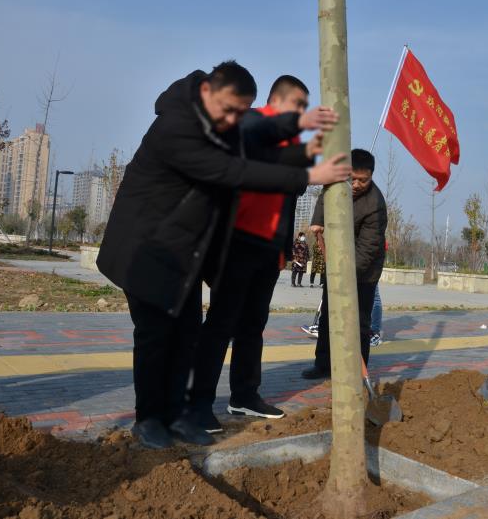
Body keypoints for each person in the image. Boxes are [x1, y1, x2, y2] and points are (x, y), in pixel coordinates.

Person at [97, 62, 349, 449]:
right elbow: (232, 171)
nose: (233, 119)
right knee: (156, 335)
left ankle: (178, 416)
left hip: (180, 250)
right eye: (229, 109)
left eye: (239, 112)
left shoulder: (219, 126)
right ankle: (148, 420)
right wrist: (310, 176)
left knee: (186, 333)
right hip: (144, 247)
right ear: (206, 93)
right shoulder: (177, 127)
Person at [186, 75, 326, 433]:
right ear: (275, 101)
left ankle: (245, 394)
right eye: (297, 104)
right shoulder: (250, 125)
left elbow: (291, 194)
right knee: (221, 324)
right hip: (237, 244)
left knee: (253, 325)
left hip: (267, 250)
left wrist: (281, 250)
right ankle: (198, 404)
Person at [301, 149, 388, 379]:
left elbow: (367, 250)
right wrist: (318, 221)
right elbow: (324, 197)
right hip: (337, 260)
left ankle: (356, 373)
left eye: (363, 180)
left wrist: (345, 277)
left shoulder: (375, 204)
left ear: (371, 176)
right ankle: (323, 365)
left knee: (359, 323)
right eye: (353, 178)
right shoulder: (337, 182)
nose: (357, 184)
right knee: (329, 316)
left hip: (364, 272)